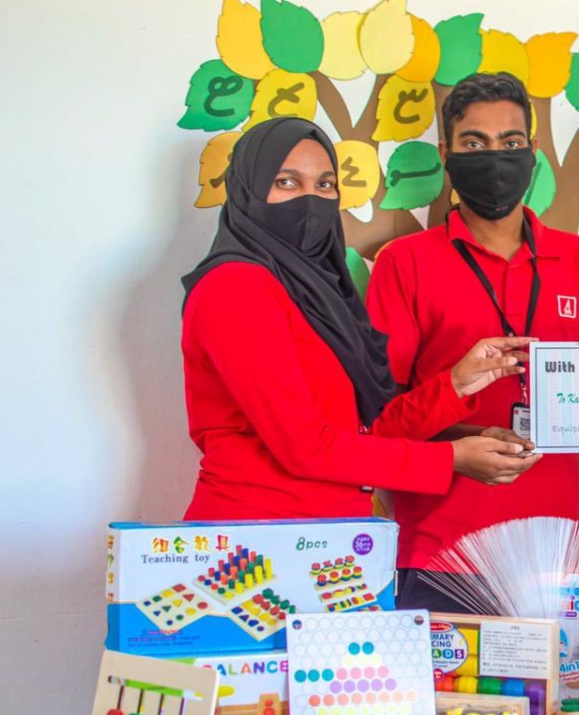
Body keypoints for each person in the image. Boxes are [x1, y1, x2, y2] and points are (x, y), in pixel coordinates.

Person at [367, 73, 579, 611]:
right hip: (441, 552)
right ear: (447, 154)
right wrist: (457, 445)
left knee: (565, 699)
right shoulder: (404, 262)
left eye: (511, 143)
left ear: (533, 152)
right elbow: (378, 424)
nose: (495, 157)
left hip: (555, 552)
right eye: (474, 144)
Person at [181, 117, 537, 521]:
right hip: (255, 542)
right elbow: (305, 448)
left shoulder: (320, 294)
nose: (310, 199)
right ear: (248, 189)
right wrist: (449, 458)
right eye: (286, 182)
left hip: (330, 540)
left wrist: (456, 384)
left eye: (325, 184)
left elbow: (365, 435)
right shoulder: (236, 287)